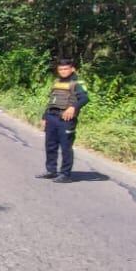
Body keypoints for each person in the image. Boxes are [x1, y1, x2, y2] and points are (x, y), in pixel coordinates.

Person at [37, 55, 89, 183]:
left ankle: (66, 174)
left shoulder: (77, 83)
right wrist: (45, 116)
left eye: (66, 69)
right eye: (61, 69)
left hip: (66, 120)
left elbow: (84, 98)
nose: (63, 71)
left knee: (66, 147)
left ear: (72, 69)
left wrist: (73, 108)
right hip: (52, 117)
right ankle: (51, 171)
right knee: (50, 145)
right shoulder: (57, 82)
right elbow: (52, 100)